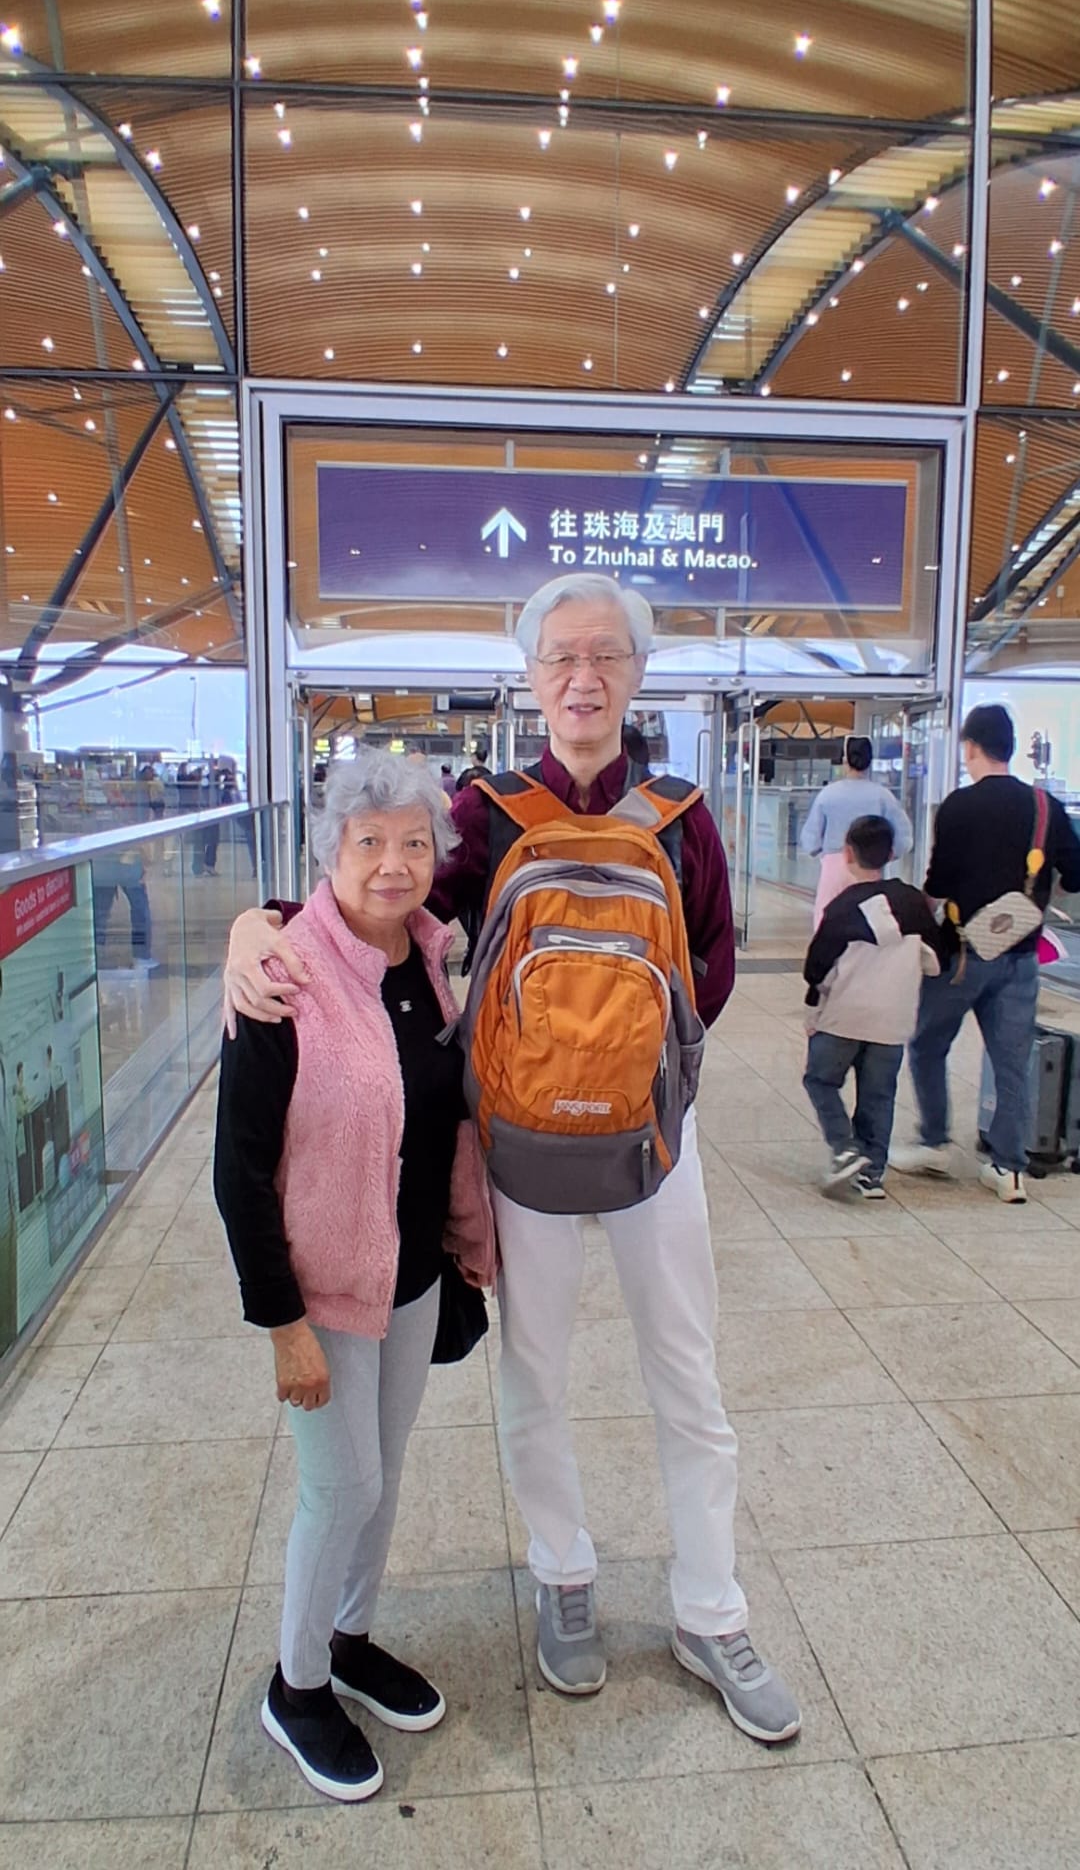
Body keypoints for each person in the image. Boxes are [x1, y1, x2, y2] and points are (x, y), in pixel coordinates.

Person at [224, 573, 800, 1746]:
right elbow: (379, 903)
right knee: (533, 1366)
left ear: (635, 673)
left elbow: (713, 965)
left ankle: (712, 1608)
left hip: (651, 1137)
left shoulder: (683, 815)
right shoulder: (485, 813)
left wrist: (629, 1070)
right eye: (560, 657)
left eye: (605, 655)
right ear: (532, 677)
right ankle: (563, 1570)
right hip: (523, 1141)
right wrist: (262, 922)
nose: (583, 677)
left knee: (687, 1372)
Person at [213, 751, 496, 1802]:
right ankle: (296, 1686)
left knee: (386, 1467)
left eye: (414, 842)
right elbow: (239, 1167)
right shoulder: (283, 972)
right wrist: (282, 1323)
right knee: (344, 1485)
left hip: (412, 1274)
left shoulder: (427, 956)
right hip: (324, 1288)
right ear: (330, 849)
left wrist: (469, 1239)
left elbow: (443, 1113)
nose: (393, 863)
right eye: (368, 841)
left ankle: (350, 1636)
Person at [892, 703, 1080, 1202]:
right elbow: (1076, 874)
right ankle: (1008, 1167)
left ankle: (934, 1142)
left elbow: (938, 884)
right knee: (1011, 1061)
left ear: (971, 747)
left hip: (961, 955)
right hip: (1021, 955)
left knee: (928, 1044)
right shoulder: (1045, 807)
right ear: (1011, 748)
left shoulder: (959, 806)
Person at [803, 815, 944, 1201]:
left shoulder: (842, 908)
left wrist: (813, 1008)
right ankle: (872, 1175)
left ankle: (844, 1148)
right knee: (878, 1096)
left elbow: (816, 969)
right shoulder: (914, 904)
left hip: (843, 1017)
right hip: (893, 1021)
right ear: (891, 854)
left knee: (820, 1080)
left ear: (848, 853)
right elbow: (936, 960)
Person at [799, 737, 913, 928]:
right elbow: (903, 839)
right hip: (871, 865)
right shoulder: (883, 796)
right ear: (870, 761)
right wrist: (885, 855)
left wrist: (823, 853)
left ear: (845, 760)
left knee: (827, 921)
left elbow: (811, 839)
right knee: (871, 921)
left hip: (834, 866)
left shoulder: (828, 794)